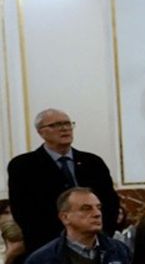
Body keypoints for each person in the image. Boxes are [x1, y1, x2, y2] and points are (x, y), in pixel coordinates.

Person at [7, 109, 121, 255]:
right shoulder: (23, 165)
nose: (64, 128)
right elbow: (23, 210)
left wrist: (102, 234)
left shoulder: (93, 162)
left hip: (96, 242)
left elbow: (110, 201)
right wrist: (64, 239)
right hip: (47, 246)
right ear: (41, 132)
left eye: (68, 124)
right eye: (56, 125)